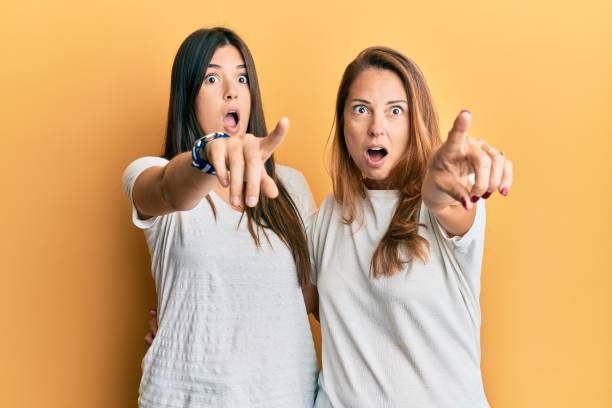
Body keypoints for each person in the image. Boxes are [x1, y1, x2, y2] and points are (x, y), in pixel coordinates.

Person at [123, 27, 318, 408]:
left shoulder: (290, 187)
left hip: (286, 396)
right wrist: (205, 155)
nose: (232, 89)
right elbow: (166, 188)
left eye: (241, 78)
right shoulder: (152, 173)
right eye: (212, 78)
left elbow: (309, 299)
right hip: (186, 396)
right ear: (187, 97)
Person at [310, 47, 512, 407]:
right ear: (343, 123)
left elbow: (447, 203)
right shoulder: (327, 217)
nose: (377, 127)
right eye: (361, 109)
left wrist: (443, 187)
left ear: (415, 122)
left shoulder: (441, 208)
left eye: (395, 111)